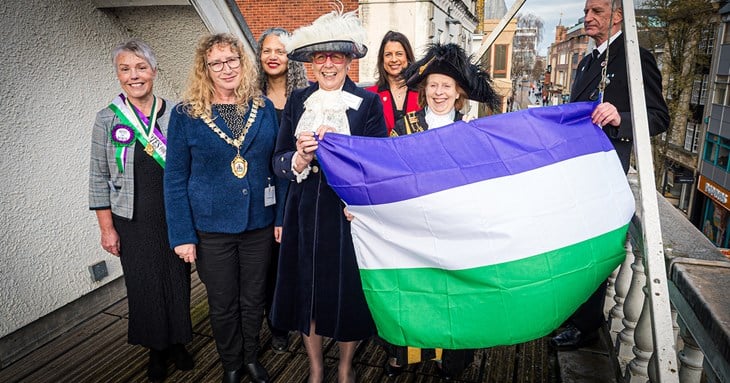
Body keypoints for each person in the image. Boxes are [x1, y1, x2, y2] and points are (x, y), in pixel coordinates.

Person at [269, 6, 387, 383]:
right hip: (303, 213)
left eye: (337, 56)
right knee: (310, 292)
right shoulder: (297, 102)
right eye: (321, 57)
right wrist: (300, 157)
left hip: (348, 214)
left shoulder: (367, 104)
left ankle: (346, 367)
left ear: (349, 59)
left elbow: (377, 160)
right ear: (311, 63)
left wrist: (343, 156)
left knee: (347, 294)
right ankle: (317, 369)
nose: (329, 64)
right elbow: (278, 161)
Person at [164, 33, 287, 383]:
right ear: (205, 68)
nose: (226, 68)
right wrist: (182, 235)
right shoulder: (185, 115)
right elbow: (174, 180)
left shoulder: (262, 108)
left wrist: (279, 217)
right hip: (211, 229)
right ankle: (231, 363)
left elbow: (276, 166)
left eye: (232, 60)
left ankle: (250, 357)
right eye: (217, 62)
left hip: (259, 224)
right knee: (222, 303)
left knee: (252, 299)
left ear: (242, 63)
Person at [550, 0, 669, 350]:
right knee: (574, 249)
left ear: (617, 15)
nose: (588, 17)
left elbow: (659, 118)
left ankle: (584, 326)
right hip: (578, 172)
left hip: (605, 174)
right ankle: (571, 316)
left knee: (593, 252)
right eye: (587, 11)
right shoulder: (587, 59)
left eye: (597, 11)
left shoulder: (635, 58)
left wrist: (621, 118)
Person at [384, 42, 499, 379]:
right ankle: (406, 353)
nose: (438, 92)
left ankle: (452, 361)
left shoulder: (471, 132)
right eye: (433, 84)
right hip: (413, 229)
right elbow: (386, 174)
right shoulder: (404, 127)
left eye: (446, 86)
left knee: (455, 295)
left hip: (456, 230)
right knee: (414, 290)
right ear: (424, 88)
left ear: (458, 91)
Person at [88, 39, 193, 382]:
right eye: (125, 69)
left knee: (177, 281)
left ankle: (178, 341)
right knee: (145, 285)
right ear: (118, 75)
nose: (134, 76)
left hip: (174, 214)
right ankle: (156, 350)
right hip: (131, 219)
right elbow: (98, 176)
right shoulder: (107, 119)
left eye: (141, 67)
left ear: (154, 72)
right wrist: (107, 228)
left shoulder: (177, 113)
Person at [255, 27, 310, 354]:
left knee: (296, 261)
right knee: (268, 265)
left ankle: (297, 318)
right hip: (261, 192)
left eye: (281, 51)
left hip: (295, 189)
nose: (274, 57)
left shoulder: (305, 97)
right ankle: (276, 325)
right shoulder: (249, 97)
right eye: (267, 51)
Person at [365, 30, 420, 134]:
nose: (394, 59)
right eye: (388, 54)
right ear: (382, 60)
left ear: (407, 57)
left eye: (399, 54)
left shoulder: (424, 93)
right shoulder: (370, 95)